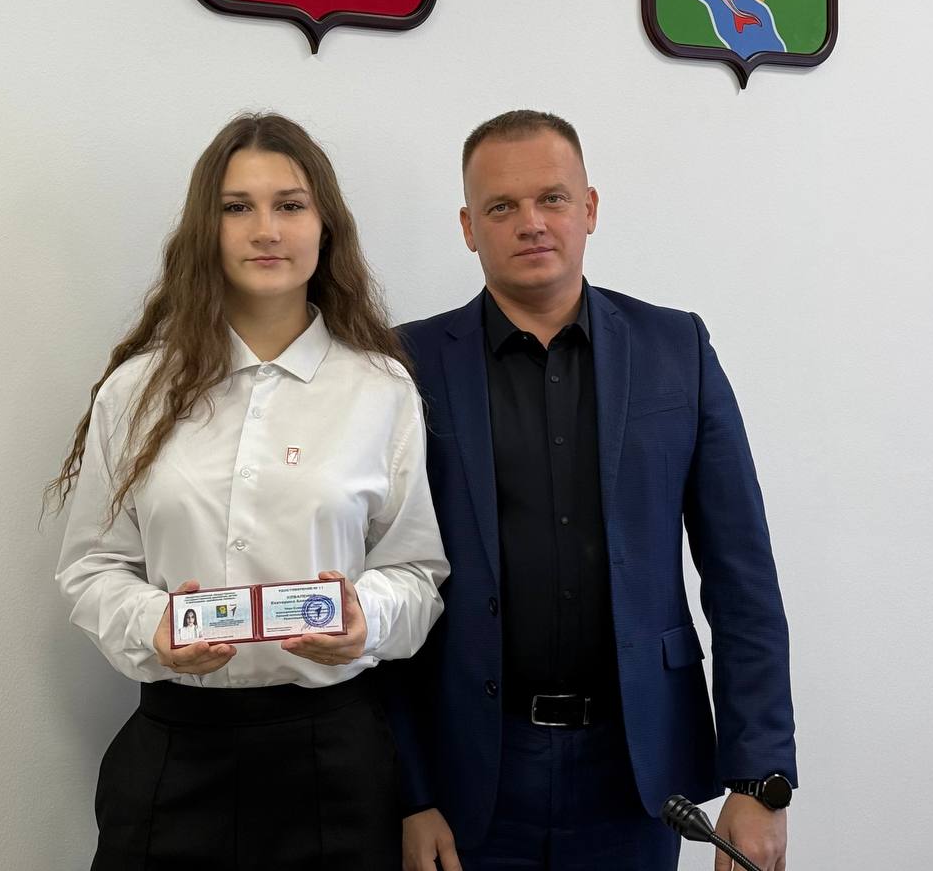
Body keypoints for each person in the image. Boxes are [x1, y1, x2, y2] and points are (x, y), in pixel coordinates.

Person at [388, 110, 795, 871]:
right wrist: (409, 792)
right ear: (468, 227)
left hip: (636, 773)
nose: (531, 222)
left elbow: (741, 576)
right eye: (501, 206)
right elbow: (382, 583)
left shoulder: (677, 349)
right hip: (468, 774)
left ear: (591, 208)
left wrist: (759, 779)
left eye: (553, 197)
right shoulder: (405, 364)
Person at [50, 113, 449, 871]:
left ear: (326, 226)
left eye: (290, 205)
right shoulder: (136, 391)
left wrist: (367, 618)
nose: (266, 229)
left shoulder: (381, 388)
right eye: (237, 207)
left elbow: (416, 573)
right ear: (207, 228)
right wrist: (154, 625)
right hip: (175, 752)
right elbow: (91, 567)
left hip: (333, 762)